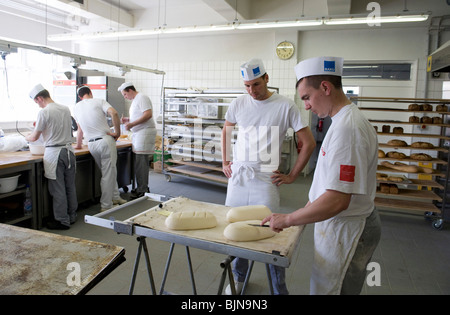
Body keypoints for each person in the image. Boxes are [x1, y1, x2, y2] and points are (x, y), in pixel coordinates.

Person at [262, 56, 382, 295]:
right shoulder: (341, 121)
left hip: (349, 228)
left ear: (325, 87)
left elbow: (338, 199)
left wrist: (289, 220)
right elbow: (328, 183)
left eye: (307, 97)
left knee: (334, 290)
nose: (306, 106)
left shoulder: (348, 129)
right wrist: (300, 215)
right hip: (339, 223)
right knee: (325, 286)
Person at [221, 58, 316, 295]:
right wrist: (225, 160)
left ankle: (278, 289)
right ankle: (238, 278)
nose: (252, 91)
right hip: (240, 176)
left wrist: (293, 175)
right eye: (247, 86)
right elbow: (226, 128)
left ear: (266, 79)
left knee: (270, 233)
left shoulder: (285, 106)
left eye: (256, 84)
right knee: (235, 229)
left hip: (266, 178)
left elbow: (309, 143)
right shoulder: (239, 103)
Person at [26, 84, 77, 230]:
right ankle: (72, 216)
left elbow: (35, 137)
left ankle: (62, 220)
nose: (38, 105)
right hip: (69, 151)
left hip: (54, 154)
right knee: (70, 186)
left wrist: (26, 138)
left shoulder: (44, 112)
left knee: (57, 188)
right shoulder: (65, 108)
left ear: (40, 98)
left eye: (37, 102)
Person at [73, 85, 126, 212]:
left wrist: (78, 145)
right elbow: (114, 112)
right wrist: (117, 132)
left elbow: (79, 129)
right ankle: (106, 205)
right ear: (90, 93)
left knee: (108, 172)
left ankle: (115, 197)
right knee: (108, 173)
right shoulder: (99, 101)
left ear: (80, 97)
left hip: (91, 144)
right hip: (105, 141)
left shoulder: (76, 107)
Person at [118, 82, 157, 199]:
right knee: (139, 163)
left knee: (141, 163)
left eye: (125, 94)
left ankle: (142, 190)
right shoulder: (136, 100)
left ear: (130, 90)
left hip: (144, 133)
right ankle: (142, 187)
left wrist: (131, 124)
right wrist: (128, 119)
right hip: (140, 133)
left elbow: (148, 115)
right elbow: (140, 115)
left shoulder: (142, 97)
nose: (125, 97)